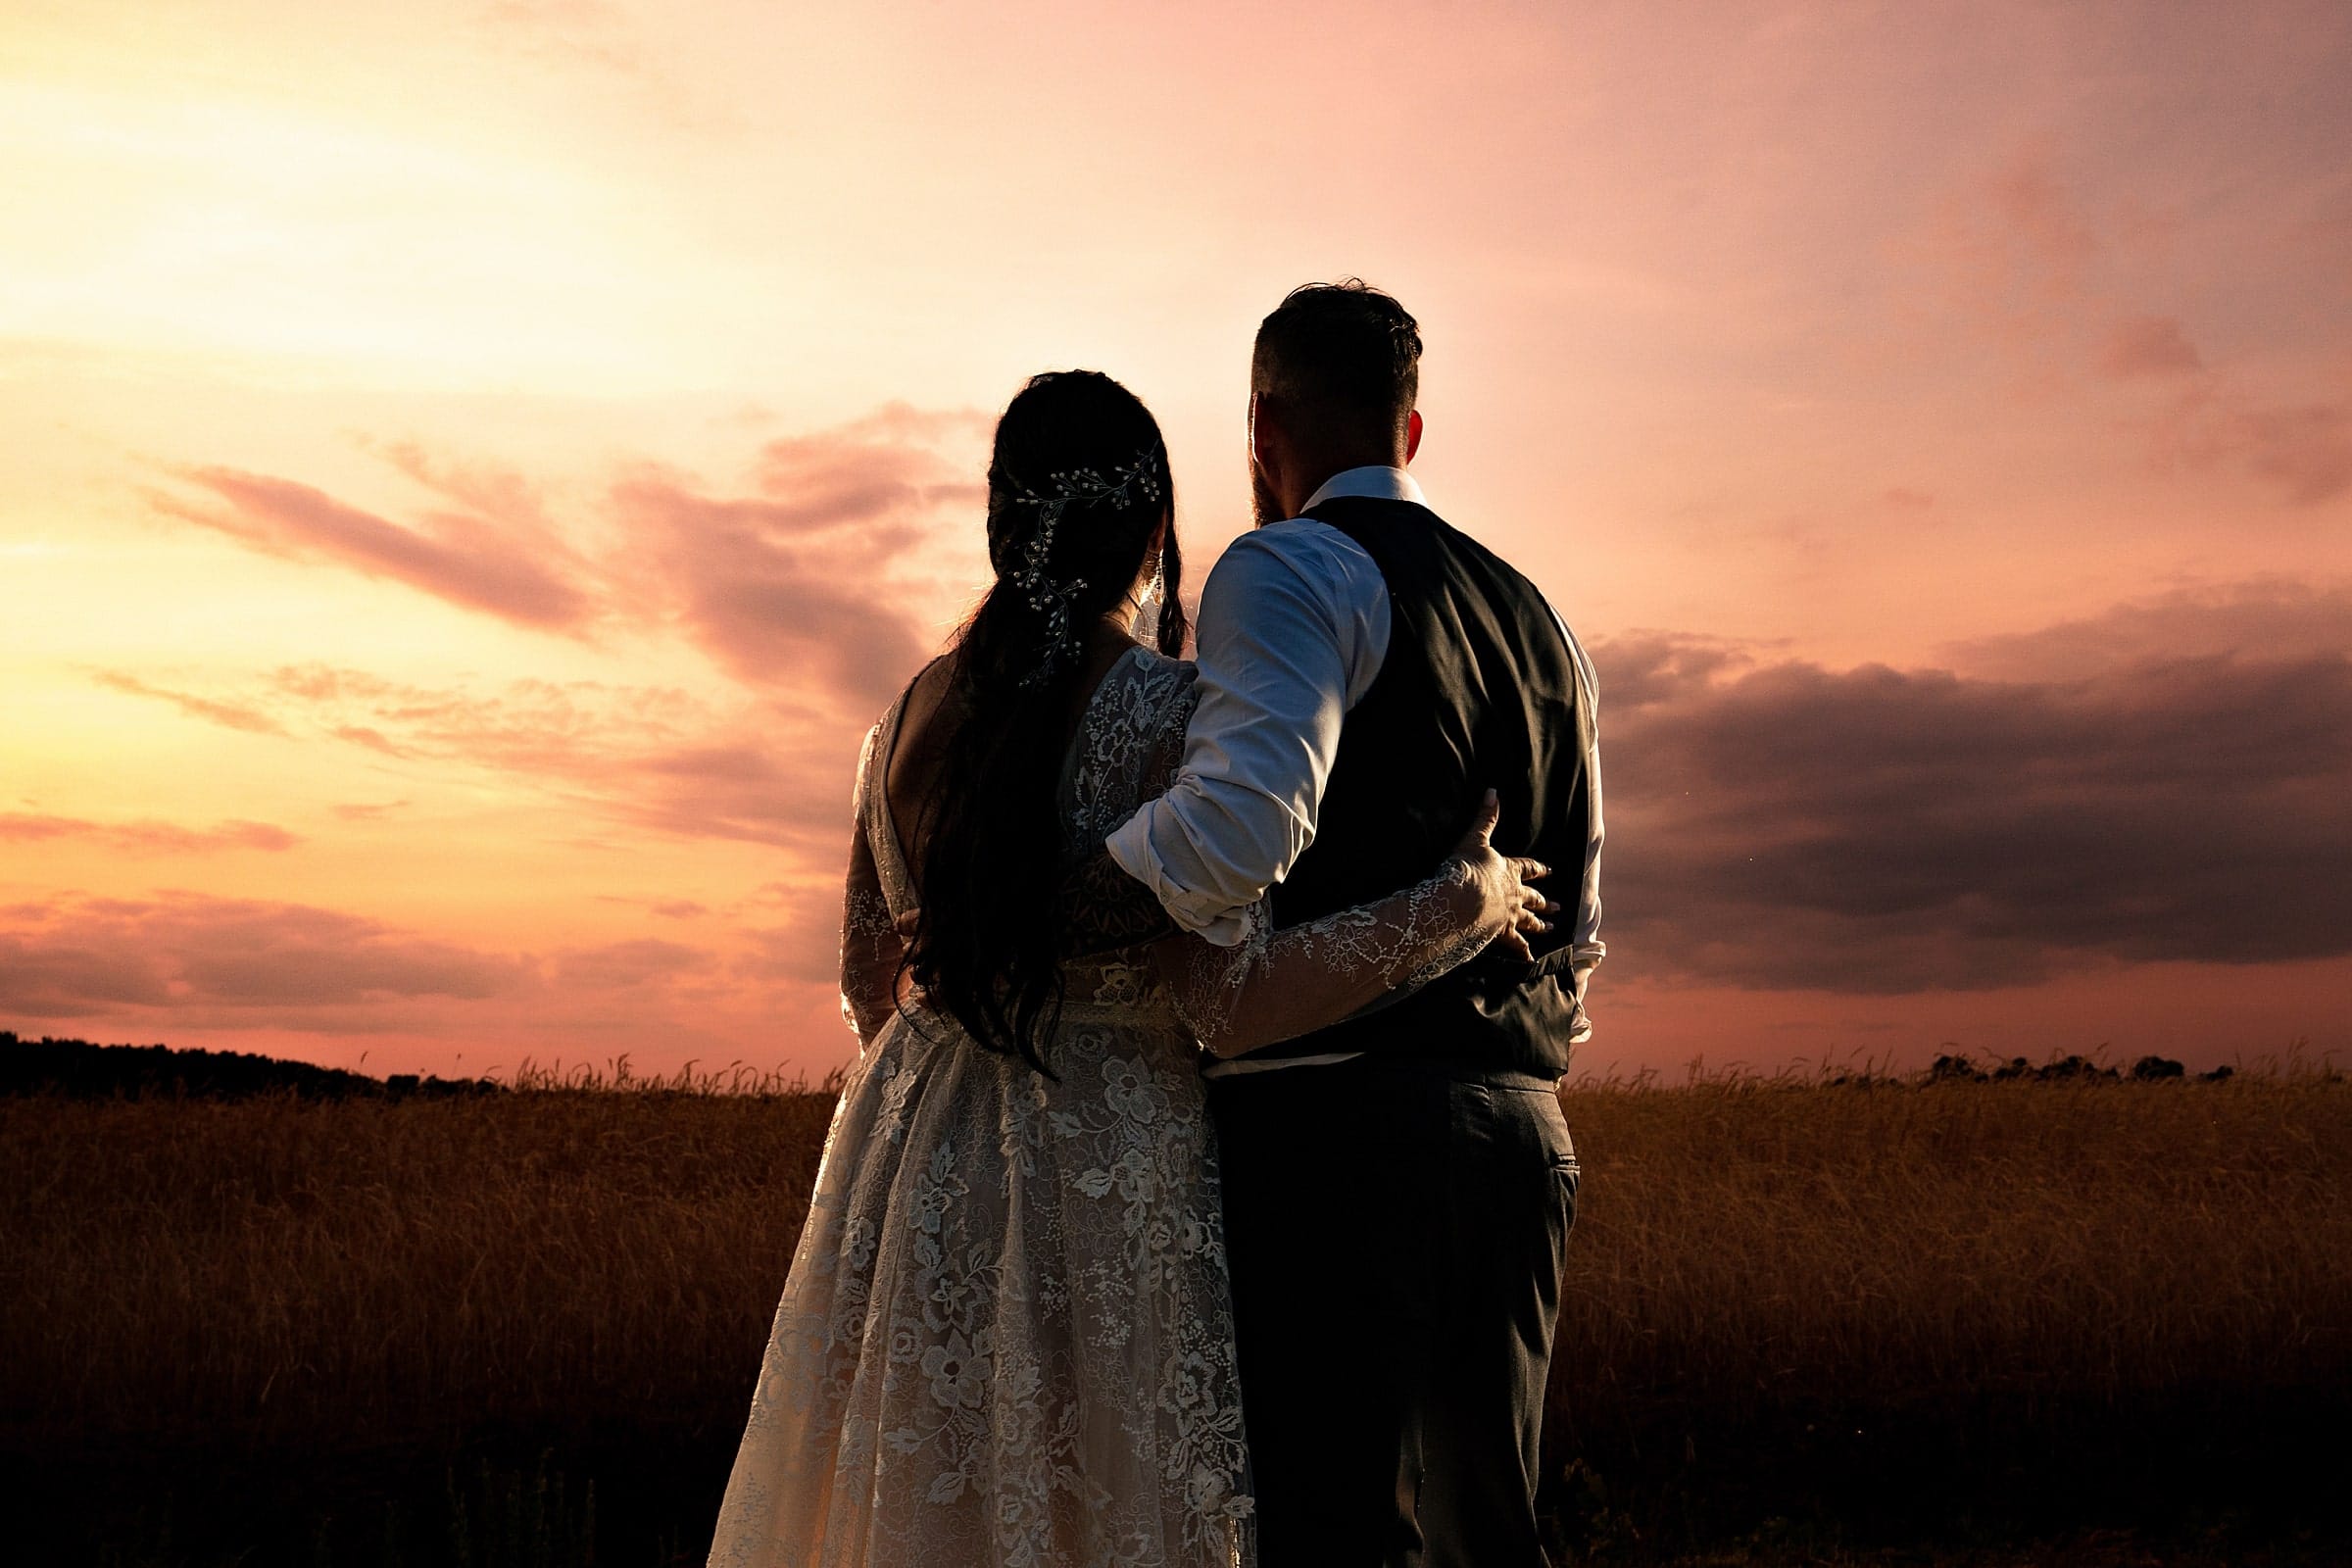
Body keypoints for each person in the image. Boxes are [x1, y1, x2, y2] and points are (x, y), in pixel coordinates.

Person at [707, 368, 1556, 1568]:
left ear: (1001, 520)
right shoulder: (1168, 714)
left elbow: (865, 983)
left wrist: (957, 1077)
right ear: (1155, 530)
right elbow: (1230, 1004)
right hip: (1107, 1168)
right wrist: (1452, 909)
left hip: (913, 1171)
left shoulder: (897, 724)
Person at [1105, 281, 1607, 1567]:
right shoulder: (1547, 623)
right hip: (1519, 1135)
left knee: (1334, 1536)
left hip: (1335, 1147)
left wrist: (1071, 894)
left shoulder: (1287, 566)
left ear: (1261, 427)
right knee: (1492, 1541)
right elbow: (1583, 917)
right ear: (1414, 431)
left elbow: (1242, 835)